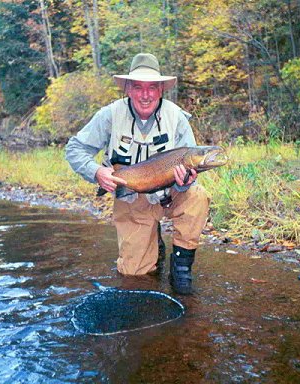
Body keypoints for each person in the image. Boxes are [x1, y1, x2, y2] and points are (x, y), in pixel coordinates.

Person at [66, 53, 210, 295]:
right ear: (128, 89)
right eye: (138, 87)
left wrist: (185, 183)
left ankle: (181, 267)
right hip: (132, 200)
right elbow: (75, 148)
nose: (146, 95)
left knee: (197, 195)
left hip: (171, 194)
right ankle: (153, 241)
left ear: (161, 89)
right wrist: (97, 172)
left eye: (152, 87)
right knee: (134, 278)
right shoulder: (109, 115)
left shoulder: (177, 118)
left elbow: (190, 166)